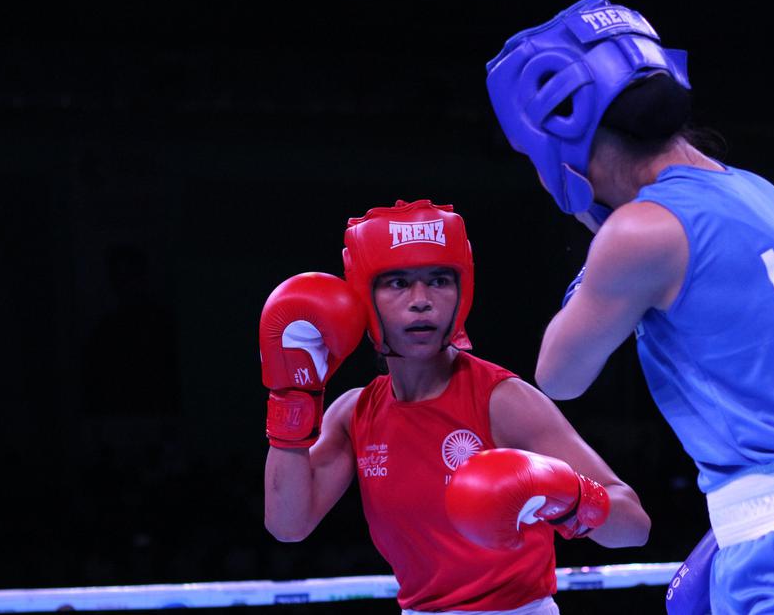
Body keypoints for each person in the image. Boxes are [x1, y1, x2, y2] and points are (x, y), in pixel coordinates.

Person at [485, 0, 774, 614]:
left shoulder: (644, 231)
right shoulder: (755, 191)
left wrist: (599, 229)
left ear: (563, 137)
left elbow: (559, 374)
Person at [258, 199, 651, 615]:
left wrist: (570, 497)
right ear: (364, 295)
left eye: (440, 280)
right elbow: (288, 525)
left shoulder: (501, 399)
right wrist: (293, 396)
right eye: (397, 283)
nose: (422, 300)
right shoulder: (355, 414)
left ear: (462, 291)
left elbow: (634, 527)